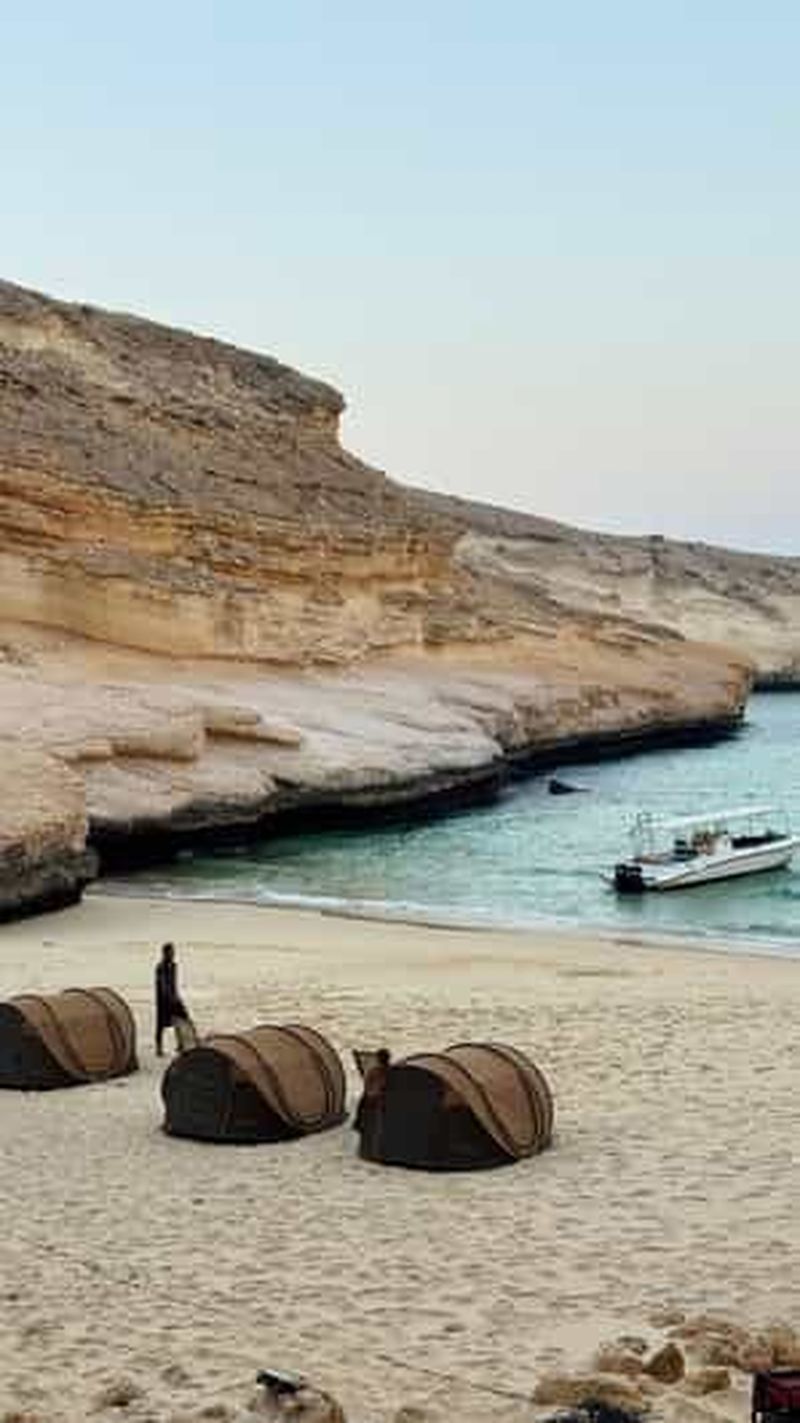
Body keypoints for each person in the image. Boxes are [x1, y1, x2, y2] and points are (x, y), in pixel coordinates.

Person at [155, 943, 195, 1056]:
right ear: (164, 953)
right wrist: (169, 996)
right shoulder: (160, 967)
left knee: (182, 1019)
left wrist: (176, 996)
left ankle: (181, 1044)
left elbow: (173, 983)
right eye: (170, 952)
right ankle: (159, 1048)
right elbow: (163, 984)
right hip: (163, 1000)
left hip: (174, 997)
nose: (173, 954)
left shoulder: (174, 966)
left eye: (173, 952)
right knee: (160, 1025)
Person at [354, 1047, 391, 1154]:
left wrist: (371, 1093)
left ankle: (360, 1126)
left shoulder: (374, 1071)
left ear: (378, 1059)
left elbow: (368, 1087)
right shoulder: (392, 1071)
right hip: (383, 1100)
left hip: (375, 1100)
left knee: (363, 1104)